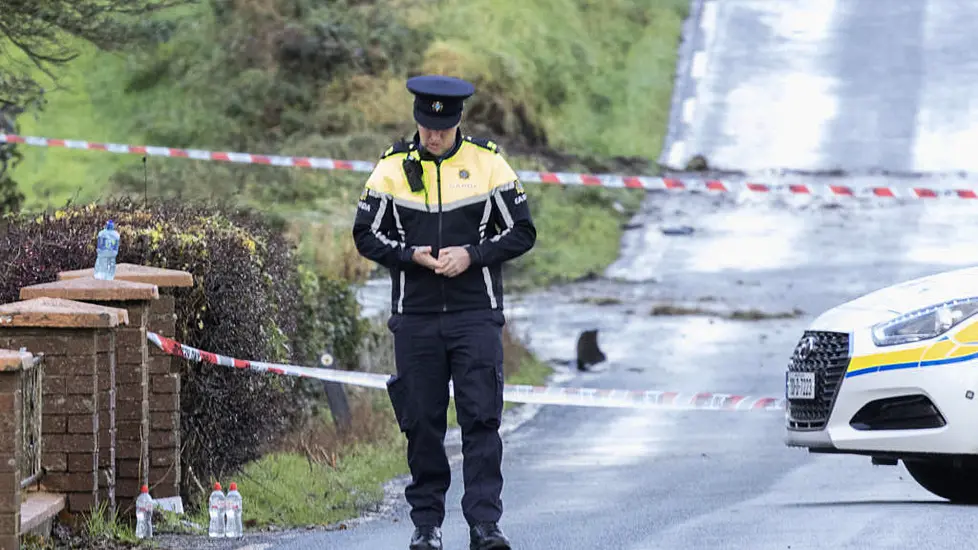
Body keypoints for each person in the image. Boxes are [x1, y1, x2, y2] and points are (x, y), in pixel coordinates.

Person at [352, 74, 536, 550]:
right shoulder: (392, 167)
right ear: (417, 120)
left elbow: (522, 231)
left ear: (458, 121)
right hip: (415, 316)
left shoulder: (488, 163)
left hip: (476, 313)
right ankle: (426, 525)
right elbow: (365, 234)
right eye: (426, 126)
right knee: (423, 423)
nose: (434, 136)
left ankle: (484, 525)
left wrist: (472, 255)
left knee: (481, 420)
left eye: (443, 127)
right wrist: (409, 255)